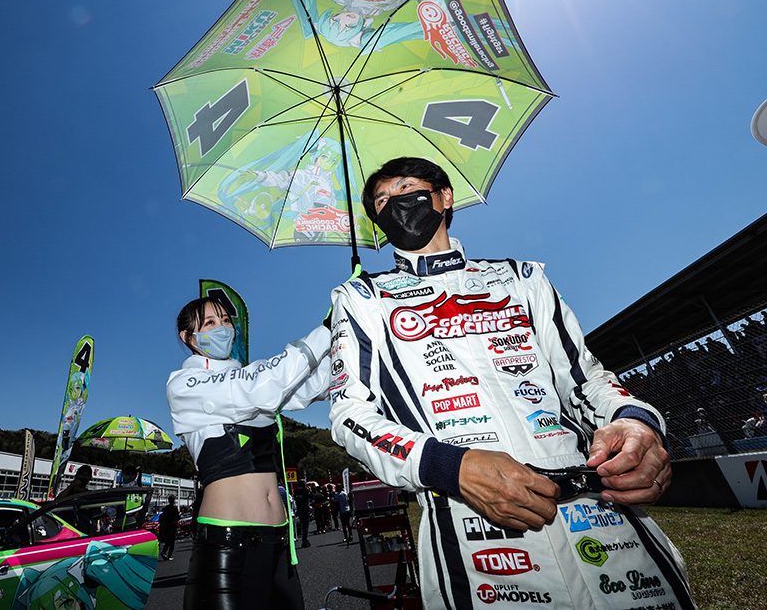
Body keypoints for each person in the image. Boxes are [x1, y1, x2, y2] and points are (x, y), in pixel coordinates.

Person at [328, 157, 695, 609]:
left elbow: (586, 379)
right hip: (470, 529)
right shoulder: (362, 297)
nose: (394, 203)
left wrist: (637, 423)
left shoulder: (522, 278)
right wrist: (452, 468)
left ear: (445, 197)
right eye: (382, 201)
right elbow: (350, 415)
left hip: (599, 508)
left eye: (406, 188)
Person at [166, 296, 331, 610]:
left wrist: (348, 336)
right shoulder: (184, 384)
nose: (223, 327)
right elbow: (262, 386)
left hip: (279, 542)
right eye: (210, 322)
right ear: (188, 338)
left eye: (226, 320)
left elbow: (316, 383)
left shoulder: (248, 378)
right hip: (227, 546)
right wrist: (324, 330)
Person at [158, 496, 181, 561]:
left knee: (167, 540)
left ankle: (164, 551)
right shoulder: (174, 508)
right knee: (172, 541)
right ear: (173, 501)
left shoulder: (165, 508)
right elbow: (177, 517)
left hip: (166, 526)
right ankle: (169, 555)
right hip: (172, 525)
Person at [292, 480, 312, 547]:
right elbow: (311, 497)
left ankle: (304, 539)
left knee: (302, 524)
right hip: (305, 510)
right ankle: (304, 540)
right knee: (305, 526)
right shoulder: (305, 491)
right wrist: (309, 491)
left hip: (299, 510)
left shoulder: (296, 491)